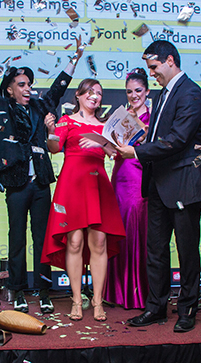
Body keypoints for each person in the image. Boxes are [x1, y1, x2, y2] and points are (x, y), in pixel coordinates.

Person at [0, 15, 84, 314]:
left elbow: (57, 89)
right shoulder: (2, 108)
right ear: (10, 90)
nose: (28, 88)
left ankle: (43, 292)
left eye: (29, 83)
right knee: (17, 239)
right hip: (17, 183)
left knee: (42, 239)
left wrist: (75, 59)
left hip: (41, 183)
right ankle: (18, 291)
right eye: (21, 84)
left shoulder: (40, 108)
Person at [116, 40, 201, 332]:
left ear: (170, 60)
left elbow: (179, 140)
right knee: (155, 251)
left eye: (154, 66)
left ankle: (187, 310)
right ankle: (156, 307)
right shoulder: (162, 94)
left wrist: (136, 152)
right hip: (157, 184)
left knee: (187, 251)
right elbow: (160, 137)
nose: (152, 73)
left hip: (183, 185)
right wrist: (136, 139)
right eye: (149, 68)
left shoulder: (191, 93)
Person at [42, 79, 126, 322]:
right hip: (72, 185)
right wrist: (50, 130)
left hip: (97, 184)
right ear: (78, 95)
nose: (94, 96)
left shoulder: (106, 125)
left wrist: (101, 141)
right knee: (75, 242)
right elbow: (54, 148)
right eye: (89, 91)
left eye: (98, 93)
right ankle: (77, 300)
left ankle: (98, 302)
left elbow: (116, 153)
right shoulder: (66, 121)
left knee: (99, 242)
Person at [104, 68, 151, 309]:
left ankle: (139, 293)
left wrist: (138, 128)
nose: (134, 96)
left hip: (140, 176)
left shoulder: (153, 117)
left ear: (147, 91)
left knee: (138, 230)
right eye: (129, 92)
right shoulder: (120, 116)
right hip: (120, 174)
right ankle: (116, 291)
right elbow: (111, 146)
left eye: (138, 90)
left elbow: (154, 145)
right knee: (119, 230)